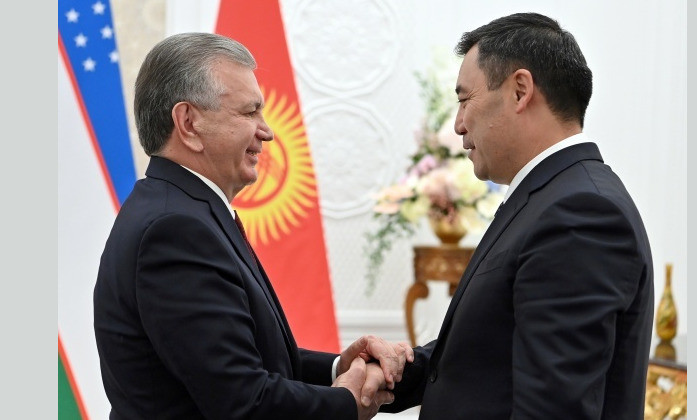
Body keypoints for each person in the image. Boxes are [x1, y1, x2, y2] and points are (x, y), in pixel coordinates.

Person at [93, 32, 412, 420]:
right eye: (249, 113)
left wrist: (338, 368)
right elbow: (242, 401)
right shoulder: (175, 229)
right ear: (189, 123)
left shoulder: (182, 209)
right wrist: (346, 402)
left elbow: (247, 359)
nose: (267, 131)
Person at [381, 12, 654, 419]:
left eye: (464, 100)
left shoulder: (579, 214)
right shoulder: (550, 197)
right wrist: (387, 371)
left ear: (520, 91)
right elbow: (489, 355)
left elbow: (553, 410)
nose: (458, 124)